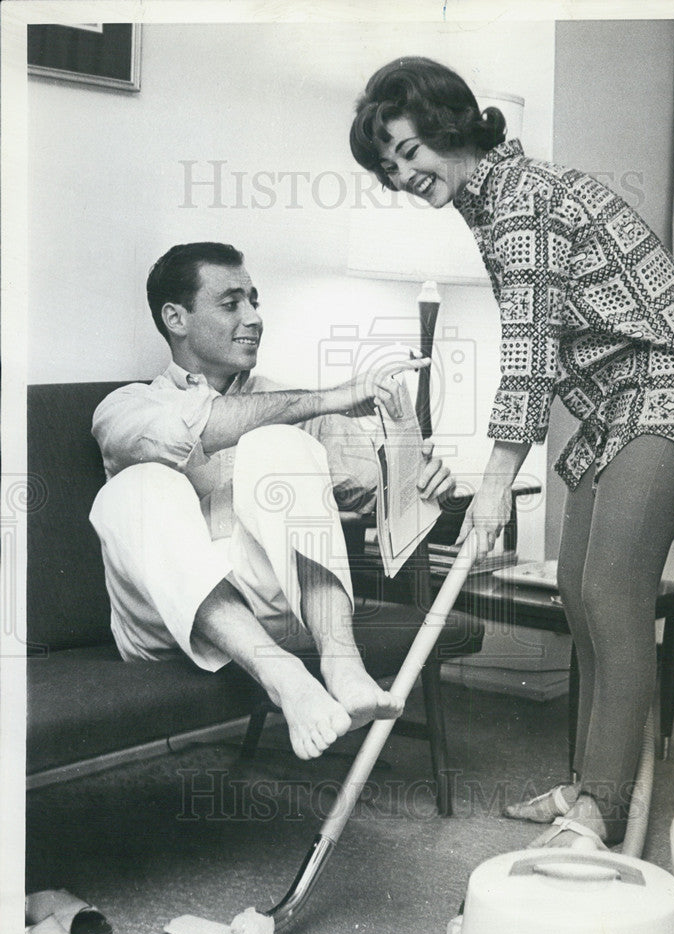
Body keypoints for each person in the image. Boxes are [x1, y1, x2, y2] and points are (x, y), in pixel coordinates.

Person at [350, 57, 674, 848]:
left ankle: (602, 804)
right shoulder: (491, 202)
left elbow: (527, 349)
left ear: (446, 123)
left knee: (613, 590)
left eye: (408, 151)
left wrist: (496, 485)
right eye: (389, 168)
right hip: (614, 399)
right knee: (577, 587)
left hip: (672, 381)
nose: (403, 175)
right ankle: (589, 785)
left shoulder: (522, 200)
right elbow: (546, 343)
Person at [90, 241, 454, 762]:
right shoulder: (127, 405)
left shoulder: (297, 407)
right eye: (231, 303)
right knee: (137, 485)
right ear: (176, 318)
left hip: (278, 606)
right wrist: (327, 398)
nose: (254, 318)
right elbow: (193, 430)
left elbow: (391, 507)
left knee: (279, 442)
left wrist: (423, 481)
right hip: (167, 623)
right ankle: (285, 677)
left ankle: (340, 663)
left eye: (255, 301)